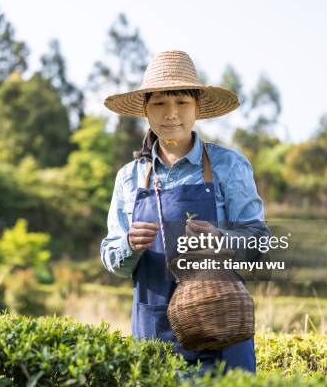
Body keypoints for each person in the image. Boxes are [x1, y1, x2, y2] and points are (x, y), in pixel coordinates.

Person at [100, 50, 270, 376]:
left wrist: (221, 240)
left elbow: (259, 244)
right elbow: (112, 258)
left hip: (222, 331)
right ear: (146, 109)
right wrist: (130, 246)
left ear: (197, 107)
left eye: (181, 102)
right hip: (154, 335)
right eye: (160, 103)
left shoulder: (228, 166)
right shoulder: (130, 176)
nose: (171, 113)